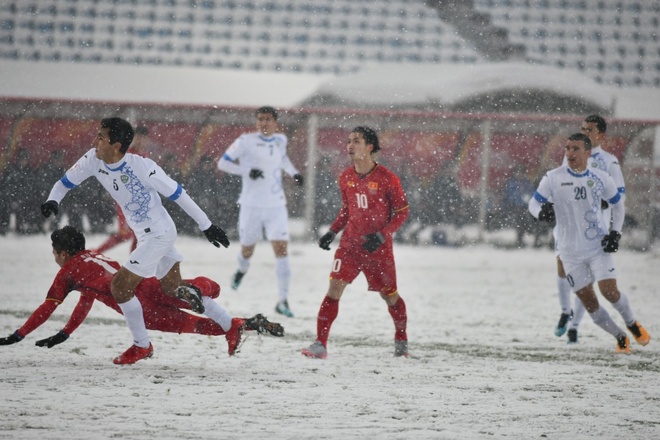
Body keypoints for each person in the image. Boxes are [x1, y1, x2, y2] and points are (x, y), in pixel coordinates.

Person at [40, 117, 232, 365]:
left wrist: (207, 225)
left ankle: (142, 345)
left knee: (120, 286)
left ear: (116, 145)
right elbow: (64, 183)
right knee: (172, 288)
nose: (95, 140)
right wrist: (53, 200)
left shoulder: (143, 167)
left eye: (101, 137)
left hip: (159, 234)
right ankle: (231, 325)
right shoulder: (92, 160)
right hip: (144, 233)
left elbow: (178, 194)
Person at [0, 227, 283, 356]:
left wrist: (18, 334)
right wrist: (66, 332)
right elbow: (87, 298)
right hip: (147, 285)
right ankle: (226, 311)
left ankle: (143, 346)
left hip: (141, 309)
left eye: (54, 253)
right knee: (200, 289)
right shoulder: (96, 258)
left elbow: (47, 307)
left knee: (195, 326)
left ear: (61, 252)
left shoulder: (67, 272)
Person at [529, 133, 649, 353]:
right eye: (567, 148)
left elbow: (618, 205)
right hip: (569, 252)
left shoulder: (601, 177)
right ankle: (620, 336)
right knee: (590, 303)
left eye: (575, 149)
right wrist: (540, 213)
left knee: (609, 292)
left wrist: (615, 233)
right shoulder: (553, 177)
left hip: (597, 247)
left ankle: (632, 323)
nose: (570, 153)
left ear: (587, 152)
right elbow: (533, 203)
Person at [301, 126, 410, 359]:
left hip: (378, 249)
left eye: (356, 141)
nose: (350, 145)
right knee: (334, 288)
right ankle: (320, 344)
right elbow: (347, 210)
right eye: (349, 141)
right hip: (350, 245)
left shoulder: (388, 179)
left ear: (370, 147)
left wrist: (382, 235)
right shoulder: (345, 177)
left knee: (390, 296)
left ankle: (401, 340)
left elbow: (402, 212)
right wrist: (332, 231)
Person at [217, 106, 303, 318]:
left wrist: (294, 173)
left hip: (276, 206)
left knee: (282, 251)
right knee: (248, 250)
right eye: (260, 119)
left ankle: (282, 301)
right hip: (251, 205)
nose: (263, 123)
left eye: (268, 119)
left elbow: (282, 159)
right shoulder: (245, 141)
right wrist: (246, 171)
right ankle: (241, 270)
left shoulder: (280, 140)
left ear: (275, 122)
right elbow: (223, 163)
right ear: (256, 122)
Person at [554, 115, 627, 343]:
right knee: (562, 266)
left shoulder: (609, 162)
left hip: (595, 226)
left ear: (600, 135)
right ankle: (566, 312)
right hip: (568, 223)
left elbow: (619, 195)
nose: (585, 132)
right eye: (582, 128)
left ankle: (574, 325)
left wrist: (604, 203)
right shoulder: (572, 154)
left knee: (586, 279)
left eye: (590, 129)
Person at [502, 163, 536, 248]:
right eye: (517, 172)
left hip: (527, 206)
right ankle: (520, 238)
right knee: (520, 217)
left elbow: (532, 193)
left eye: (521, 172)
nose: (519, 174)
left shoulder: (528, 183)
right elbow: (510, 196)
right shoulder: (511, 183)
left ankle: (529, 234)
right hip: (514, 207)